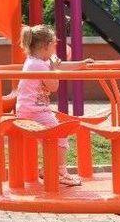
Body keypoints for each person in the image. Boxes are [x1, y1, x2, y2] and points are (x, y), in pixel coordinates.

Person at [16, 24, 92, 186]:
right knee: (60, 135)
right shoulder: (38, 65)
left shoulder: (36, 60)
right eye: (54, 45)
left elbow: (60, 66)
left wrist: (81, 64)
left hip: (29, 108)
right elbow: (54, 86)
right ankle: (59, 171)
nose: (55, 48)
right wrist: (54, 69)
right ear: (45, 46)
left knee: (54, 136)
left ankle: (50, 169)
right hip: (34, 111)